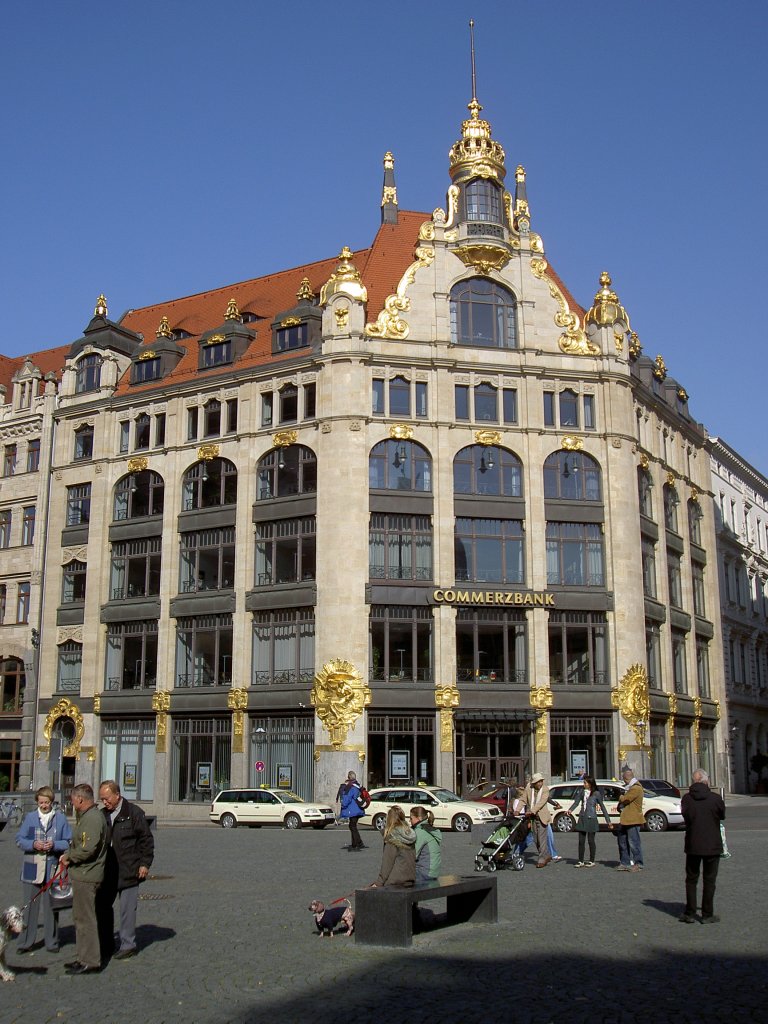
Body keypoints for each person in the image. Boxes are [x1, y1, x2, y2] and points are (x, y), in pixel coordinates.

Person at [97, 780, 155, 961]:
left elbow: (146, 840)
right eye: (101, 799)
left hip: (129, 868)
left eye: (106, 799)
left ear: (117, 795)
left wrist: (145, 864)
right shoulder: (102, 815)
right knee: (103, 908)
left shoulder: (133, 813)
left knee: (127, 910)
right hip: (107, 870)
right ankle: (105, 943)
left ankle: (128, 944)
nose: (104, 802)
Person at [15, 786, 72, 953]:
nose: (44, 805)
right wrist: (33, 844)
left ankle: (52, 942)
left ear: (52, 802)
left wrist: (54, 844)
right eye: (41, 802)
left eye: (47, 802)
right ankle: (25, 942)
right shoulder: (31, 818)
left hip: (52, 866)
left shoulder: (60, 819)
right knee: (30, 906)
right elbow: (20, 839)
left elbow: (68, 841)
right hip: (32, 865)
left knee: (52, 906)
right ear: (37, 802)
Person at [59, 783, 108, 975]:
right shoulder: (86, 817)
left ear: (80, 799)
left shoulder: (93, 819)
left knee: (85, 919)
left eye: (72, 799)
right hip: (82, 873)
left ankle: (90, 960)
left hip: (88, 874)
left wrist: (69, 857)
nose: (71, 802)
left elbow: (88, 848)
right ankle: (83, 957)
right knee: (80, 918)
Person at [679, 768, 726, 924]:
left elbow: (685, 816)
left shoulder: (686, 799)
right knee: (709, 880)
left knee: (691, 879)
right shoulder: (715, 798)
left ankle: (690, 912)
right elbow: (722, 815)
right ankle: (707, 914)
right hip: (712, 844)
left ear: (693, 780)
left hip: (693, 844)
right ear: (707, 781)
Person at [569, 775, 612, 867]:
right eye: (583, 782)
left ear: (590, 784)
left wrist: (608, 821)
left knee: (591, 841)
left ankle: (592, 860)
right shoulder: (581, 792)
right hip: (582, 817)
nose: (583, 784)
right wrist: (570, 810)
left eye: (585, 782)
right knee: (581, 841)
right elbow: (576, 802)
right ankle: (581, 860)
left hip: (591, 818)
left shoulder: (596, 793)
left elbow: (603, 807)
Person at [369, 806, 416, 887]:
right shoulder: (409, 835)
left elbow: (387, 863)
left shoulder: (392, 837)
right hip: (410, 878)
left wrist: (378, 882)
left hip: (395, 880)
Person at [616, 766, 644, 871]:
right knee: (622, 842)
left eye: (624, 779)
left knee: (634, 843)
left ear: (627, 778)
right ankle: (625, 862)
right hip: (625, 819)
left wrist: (620, 796)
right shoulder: (629, 788)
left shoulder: (636, 788)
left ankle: (638, 863)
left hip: (633, 819)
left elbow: (625, 799)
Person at [521, 772, 552, 867]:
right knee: (536, 839)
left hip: (542, 817)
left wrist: (532, 810)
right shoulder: (528, 788)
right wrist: (517, 810)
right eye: (538, 782)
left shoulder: (545, 789)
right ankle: (546, 855)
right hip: (533, 818)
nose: (540, 784)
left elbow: (541, 802)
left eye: (541, 781)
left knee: (541, 838)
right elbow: (523, 799)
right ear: (534, 783)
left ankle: (542, 859)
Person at [410, 806, 442, 882]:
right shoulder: (428, 828)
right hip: (434, 871)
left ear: (419, 818)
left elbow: (413, 854)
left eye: (411, 818)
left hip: (424, 872)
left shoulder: (420, 832)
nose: (409, 820)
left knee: (400, 878)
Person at [338, 771, 367, 851]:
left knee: (352, 826)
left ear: (349, 777)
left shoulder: (350, 787)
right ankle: (359, 843)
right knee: (353, 826)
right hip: (359, 809)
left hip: (353, 810)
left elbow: (347, 799)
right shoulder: (358, 785)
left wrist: (343, 805)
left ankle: (355, 845)